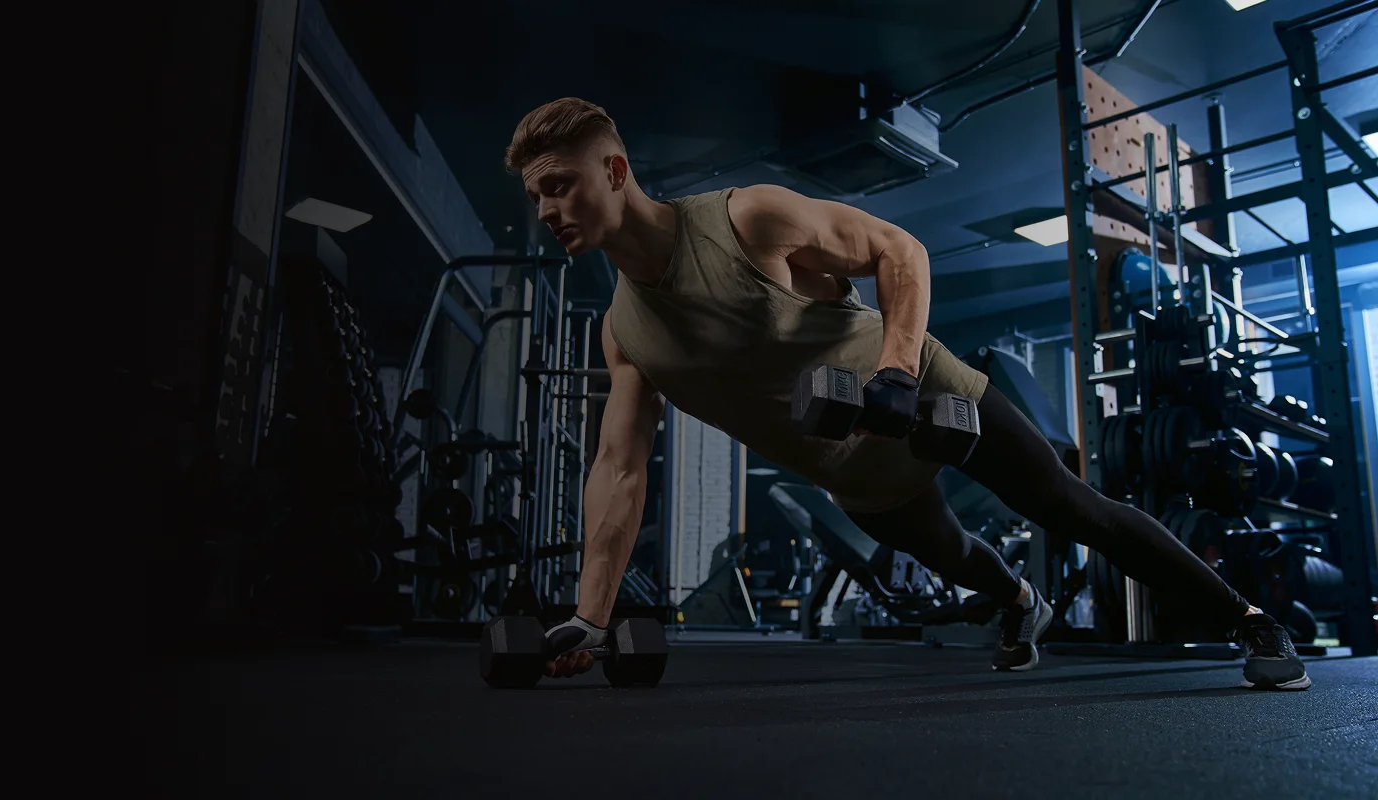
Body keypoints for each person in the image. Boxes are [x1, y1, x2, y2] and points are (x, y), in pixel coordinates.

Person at [504, 98, 1309, 691]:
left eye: (559, 186)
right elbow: (617, 471)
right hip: (851, 470)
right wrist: (592, 614)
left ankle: (1247, 620)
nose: (546, 211)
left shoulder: (747, 218)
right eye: (536, 197)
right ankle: (1020, 599)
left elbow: (899, 249)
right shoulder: (626, 334)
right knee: (957, 556)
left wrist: (893, 368)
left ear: (614, 172)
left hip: (923, 395)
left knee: (1072, 508)